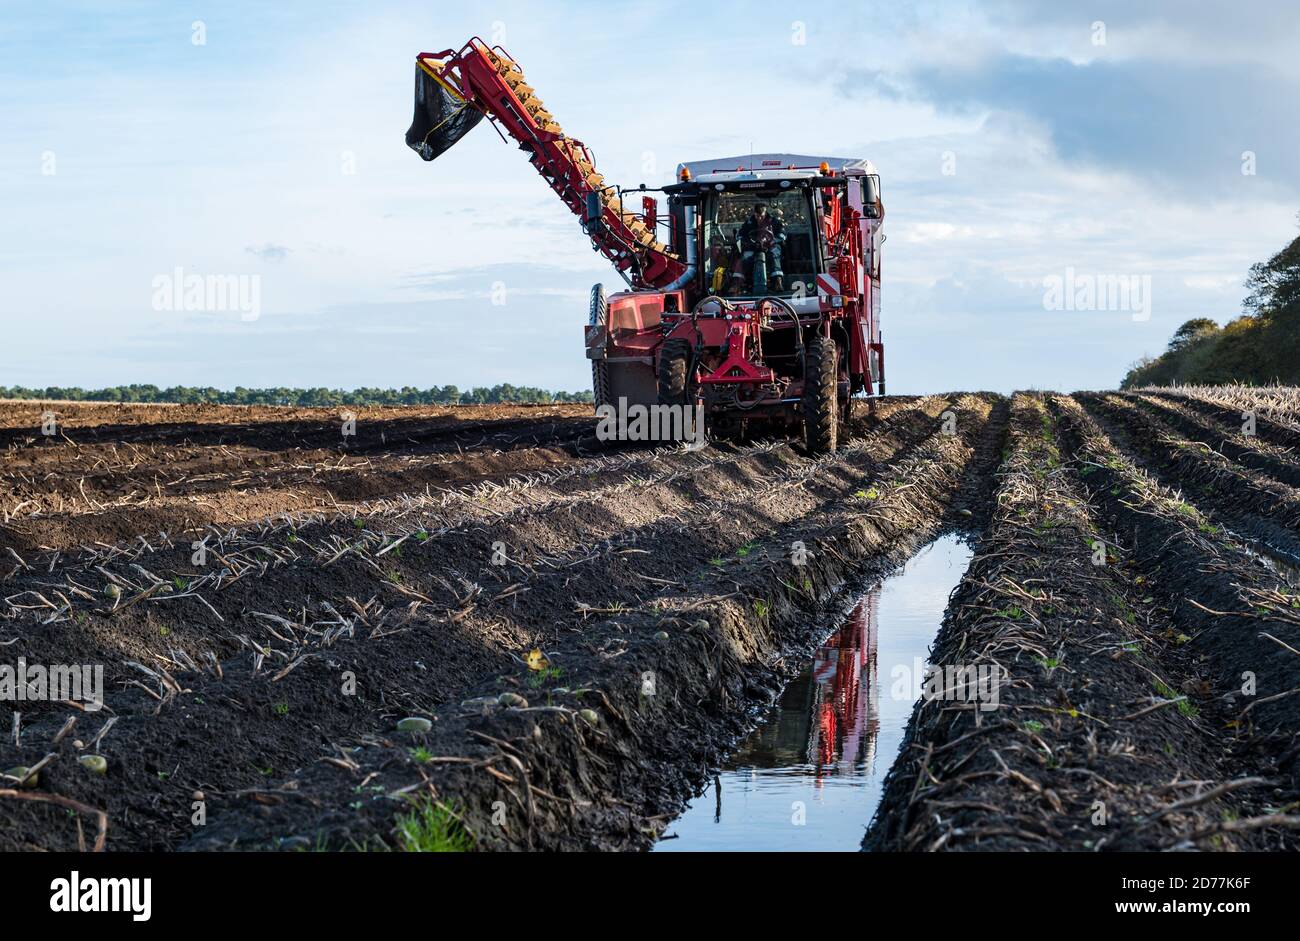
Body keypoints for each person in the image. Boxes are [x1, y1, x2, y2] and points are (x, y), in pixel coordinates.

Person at [740, 202, 786, 294]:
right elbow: (741, 234)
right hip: (753, 246)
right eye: (757, 216)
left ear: (765, 213)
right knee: (745, 256)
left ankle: (777, 281)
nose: (759, 218)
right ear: (754, 214)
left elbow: (782, 234)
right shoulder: (749, 222)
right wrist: (746, 242)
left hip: (771, 245)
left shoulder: (774, 221)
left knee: (774, 253)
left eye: (761, 216)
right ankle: (745, 283)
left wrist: (774, 241)